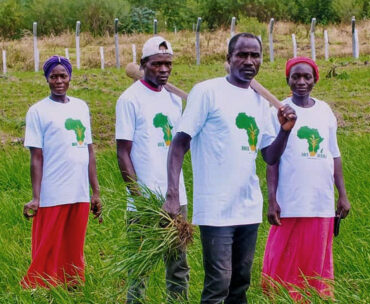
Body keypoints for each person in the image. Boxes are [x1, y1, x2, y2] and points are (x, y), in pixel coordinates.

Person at [163, 33, 297, 303]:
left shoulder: (261, 102)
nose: (249, 61)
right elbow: (179, 144)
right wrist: (173, 193)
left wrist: (285, 131)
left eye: (254, 55)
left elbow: (270, 156)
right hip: (216, 209)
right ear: (229, 59)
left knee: (240, 284)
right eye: (242, 55)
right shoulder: (207, 92)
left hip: (247, 207)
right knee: (218, 284)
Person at [261, 57, 351, 300]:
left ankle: (314, 294)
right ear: (287, 80)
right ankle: (281, 295)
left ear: (315, 80)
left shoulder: (325, 111)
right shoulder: (277, 111)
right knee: (283, 251)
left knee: (316, 252)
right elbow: (272, 160)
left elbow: (334, 154)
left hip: (320, 199)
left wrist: (342, 195)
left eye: (307, 77)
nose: (301, 82)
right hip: (290, 198)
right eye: (296, 77)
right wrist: (272, 200)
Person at [115, 36, 189, 303]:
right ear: (144, 64)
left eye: (168, 64)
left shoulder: (174, 100)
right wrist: (140, 197)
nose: (164, 69)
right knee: (140, 266)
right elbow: (122, 152)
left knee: (178, 265)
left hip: (176, 196)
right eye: (157, 64)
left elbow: (180, 147)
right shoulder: (129, 99)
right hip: (144, 201)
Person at [21, 55, 102, 289]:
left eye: (63, 76)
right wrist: (36, 197)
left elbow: (89, 151)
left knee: (73, 243)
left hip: (79, 191)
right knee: (48, 243)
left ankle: (72, 286)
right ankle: (40, 287)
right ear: (46, 79)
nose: (59, 81)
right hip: (53, 190)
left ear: (70, 77)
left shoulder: (81, 107)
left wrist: (95, 191)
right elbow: (36, 158)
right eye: (53, 76)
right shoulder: (38, 111)